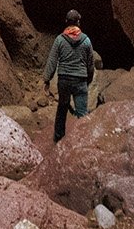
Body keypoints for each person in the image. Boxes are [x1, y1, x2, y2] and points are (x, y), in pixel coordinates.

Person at [43, 8, 102, 143]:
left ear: (66, 22)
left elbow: (52, 61)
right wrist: (89, 79)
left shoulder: (59, 40)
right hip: (80, 80)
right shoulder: (86, 41)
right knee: (82, 112)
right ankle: (84, 141)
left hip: (64, 80)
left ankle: (58, 138)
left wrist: (47, 79)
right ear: (78, 22)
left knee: (62, 109)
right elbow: (90, 64)